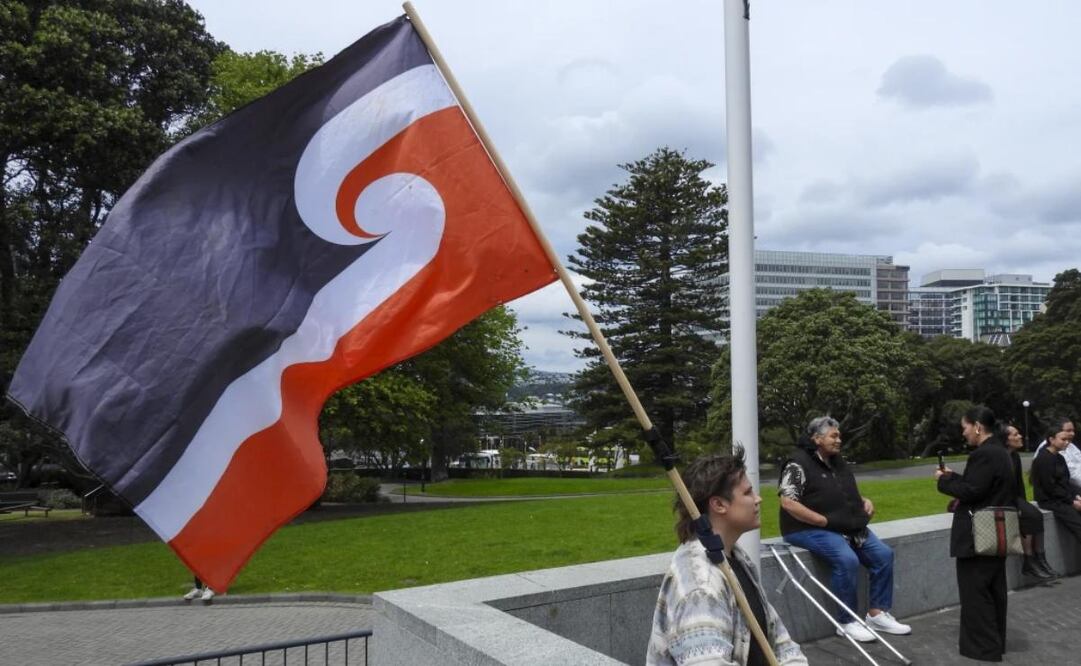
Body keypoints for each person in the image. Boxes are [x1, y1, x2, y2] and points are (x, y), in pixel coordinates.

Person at [646, 449, 807, 665]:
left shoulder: (736, 557)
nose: (758, 499)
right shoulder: (700, 586)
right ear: (719, 505)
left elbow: (778, 639)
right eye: (748, 493)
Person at [778, 416, 911, 643]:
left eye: (839, 435)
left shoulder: (837, 461)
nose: (839, 440)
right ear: (817, 438)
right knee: (846, 559)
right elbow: (788, 502)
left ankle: (877, 615)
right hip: (806, 528)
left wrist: (864, 501)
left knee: (883, 555)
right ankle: (847, 622)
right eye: (834, 436)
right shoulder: (797, 463)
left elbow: (840, 491)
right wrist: (821, 521)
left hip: (844, 526)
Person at [936, 405, 1015, 662]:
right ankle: (994, 642)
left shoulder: (984, 454)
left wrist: (944, 481)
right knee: (993, 590)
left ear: (978, 426)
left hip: (977, 535)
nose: (964, 433)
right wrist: (954, 477)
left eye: (965, 427)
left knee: (976, 592)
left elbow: (972, 491)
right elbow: (981, 485)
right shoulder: (1000, 452)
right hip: (996, 531)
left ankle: (983, 647)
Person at [1005, 423, 1058, 579]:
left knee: (1036, 515)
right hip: (1003, 499)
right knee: (1030, 516)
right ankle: (1029, 561)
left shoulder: (1015, 456)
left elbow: (1019, 484)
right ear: (1005, 439)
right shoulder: (1000, 457)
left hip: (1014, 498)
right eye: (1015, 434)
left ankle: (1040, 558)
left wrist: (1022, 502)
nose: (1020, 436)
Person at [1030, 416, 1081, 544]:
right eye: (1063, 439)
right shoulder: (1043, 459)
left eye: (1067, 440)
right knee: (1077, 523)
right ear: (1051, 439)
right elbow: (1050, 488)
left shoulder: (1060, 458)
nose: (1067, 442)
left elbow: (1065, 482)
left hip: (1062, 498)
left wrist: (1076, 496)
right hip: (1050, 501)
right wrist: (1072, 502)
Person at [1033, 417, 1081, 493]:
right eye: (1068, 430)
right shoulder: (1048, 451)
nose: (1073, 433)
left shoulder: (1070, 446)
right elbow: (1072, 474)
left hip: (1069, 490)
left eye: (1073, 430)